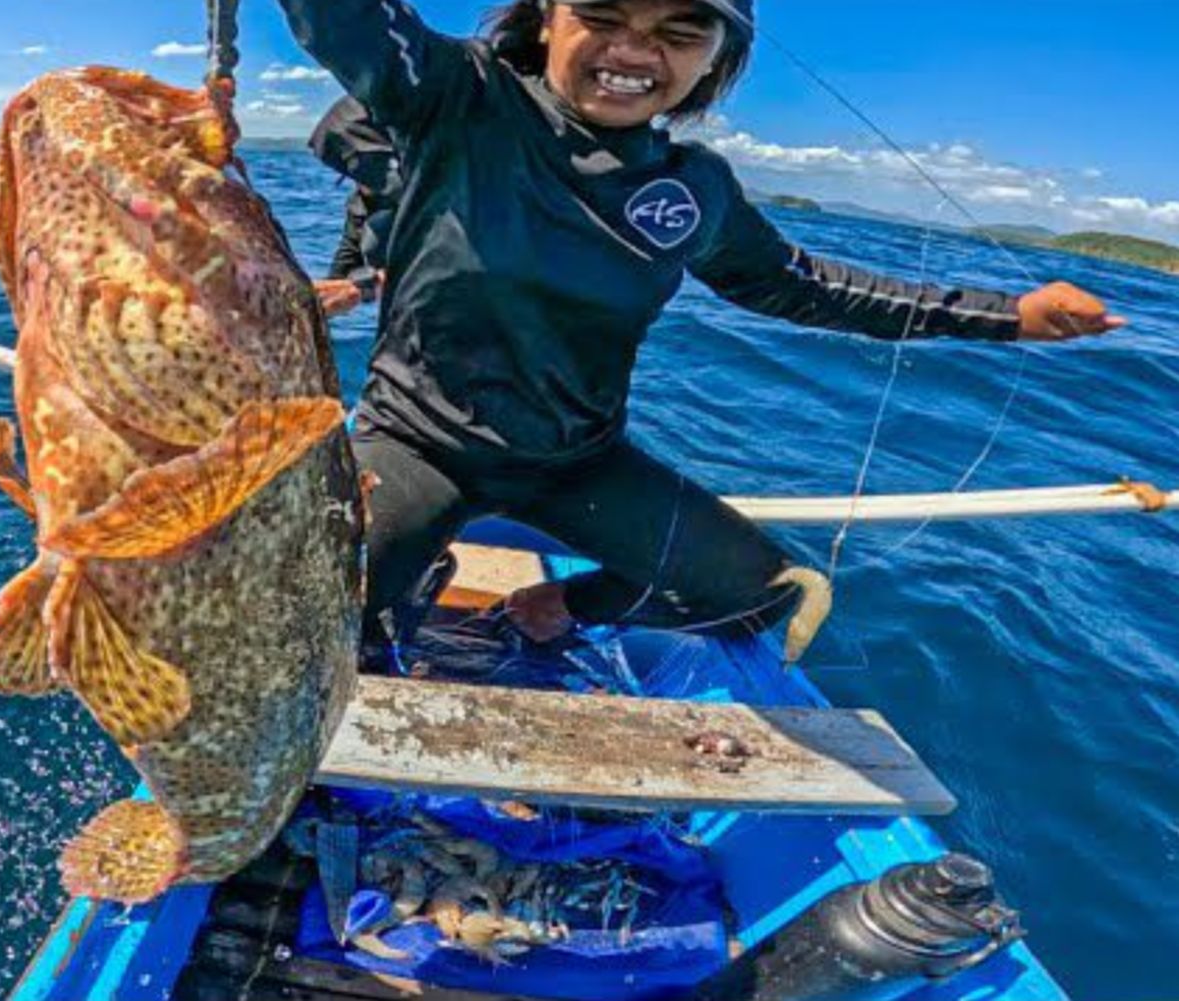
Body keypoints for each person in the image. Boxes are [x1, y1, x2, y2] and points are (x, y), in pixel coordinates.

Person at [273, 0, 1126, 662]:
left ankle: (554, 602)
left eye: (678, 33)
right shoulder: (456, 97)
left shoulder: (694, 190)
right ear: (545, 19)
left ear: (715, 60)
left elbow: (806, 287)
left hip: (576, 463)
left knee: (763, 594)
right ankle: (416, 566)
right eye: (602, 15)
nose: (634, 51)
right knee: (294, 617)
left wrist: (1009, 317)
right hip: (414, 445)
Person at [309, 97, 401, 318]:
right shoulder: (361, 204)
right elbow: (340, 277)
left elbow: (453, 261)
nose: (361, 183)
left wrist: (366, 287)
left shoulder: (448, 197)